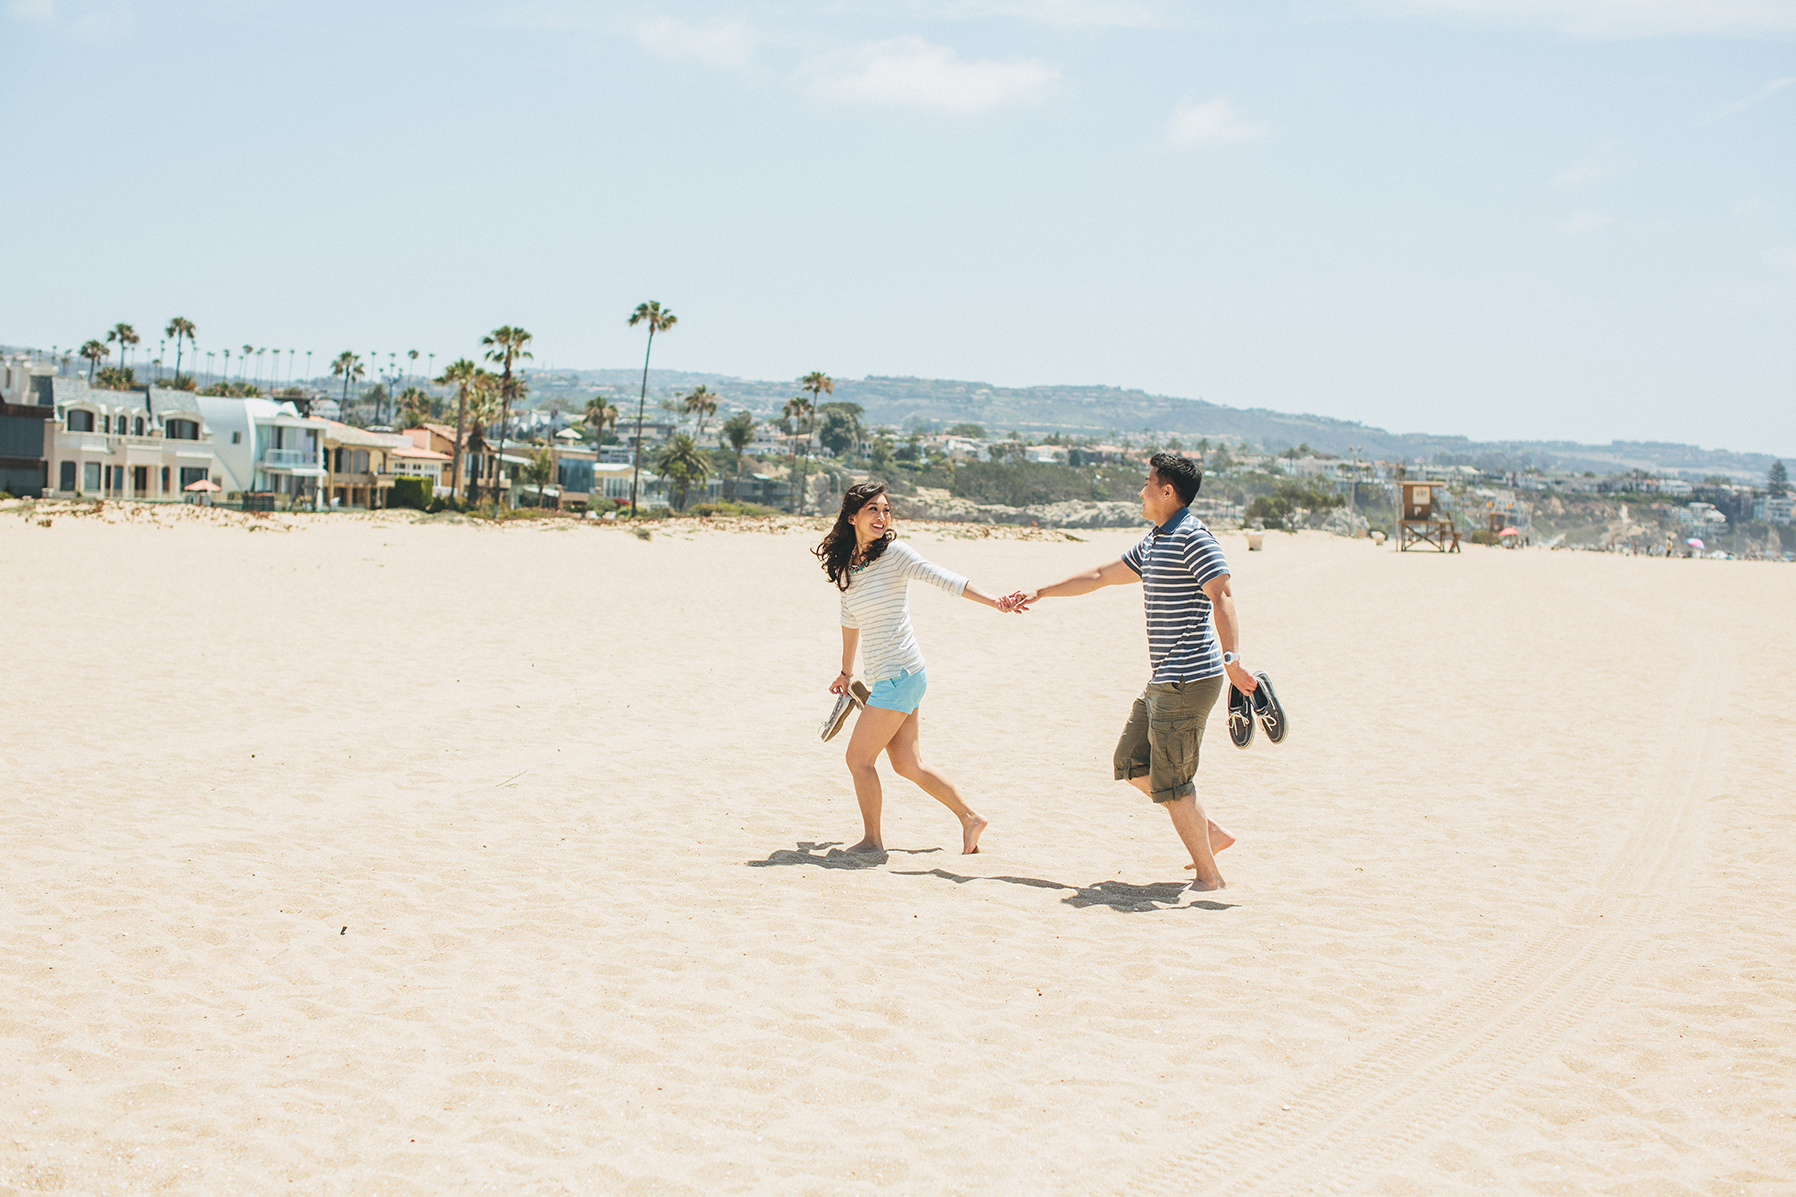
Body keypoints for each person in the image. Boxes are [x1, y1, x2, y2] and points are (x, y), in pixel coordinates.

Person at [1003, 452, 1257, 895]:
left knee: (1175, 783)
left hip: (1188, 677)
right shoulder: (1158, 539)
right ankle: (1209, 833)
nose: (1140, 490)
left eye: (1147, 482)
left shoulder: (1194, 537)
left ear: (1167, 491)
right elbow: (1101, 574)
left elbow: (1222, 595)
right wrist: (1040, 591)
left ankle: (1209, 876)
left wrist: (1232, 660)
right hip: (1165, 679)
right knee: (1131, 762)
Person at [817, 482, 1011, 855]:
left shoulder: (896, 554)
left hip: (900, 675)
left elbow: (943, 577)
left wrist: (994, 602)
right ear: (853, 516)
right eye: (873, 509)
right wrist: (845, 672)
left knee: (858, 759)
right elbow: (848, 618)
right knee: (908, 763)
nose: (881, 516)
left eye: (886, 510)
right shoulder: (848, 565)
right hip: (894, 675)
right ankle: (971, 819)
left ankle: (872, 842)